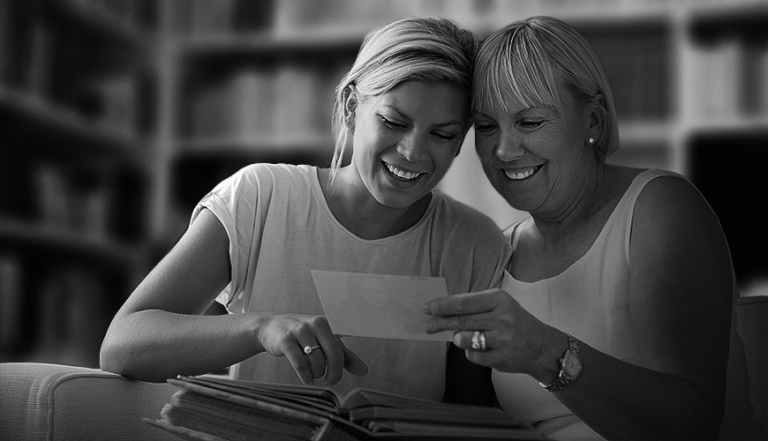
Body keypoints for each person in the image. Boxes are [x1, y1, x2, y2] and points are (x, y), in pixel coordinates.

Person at [99, 16, 510, 403]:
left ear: (461, 142)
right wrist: (260, 328)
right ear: (352, 108)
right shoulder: (259, 197)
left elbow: (467, 417)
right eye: (393, 121)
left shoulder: (474, 244)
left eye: (442, 134)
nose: (413, 152)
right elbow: (122, 346)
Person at [424, 15, 763, 440]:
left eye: (530, 122)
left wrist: (545, 352)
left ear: (594, 122)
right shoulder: (496, 252)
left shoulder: (658, 209)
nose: (504, 150)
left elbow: (692, 426)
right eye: (487, 126)